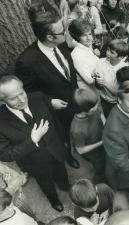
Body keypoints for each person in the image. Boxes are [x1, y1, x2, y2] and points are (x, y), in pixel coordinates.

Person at [15, 10, 80, 169]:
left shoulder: (62, 42)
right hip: (56, 111)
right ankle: (67, 155)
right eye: (62, 31)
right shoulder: (27, 62)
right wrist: (49, 102)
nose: (66, 33)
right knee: (62, 135)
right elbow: (28, 93)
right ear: (50, 37)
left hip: (74, 100)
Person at [0, 76, 70, 212]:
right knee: (45, 182)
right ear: (2, 100)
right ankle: (53, 199)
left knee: (61, 171)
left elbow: (55, 121)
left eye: (22, 93)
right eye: (13, 98)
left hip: (56, 149)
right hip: (35, 163)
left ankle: (64, 185)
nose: (21, 100)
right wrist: (32, 141)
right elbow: (5, 155)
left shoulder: (38, 97)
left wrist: (63, 141)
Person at [70, 88, 106, 183]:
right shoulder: (77, 129)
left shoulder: (93, 108)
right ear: (82, 110)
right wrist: (102, 142)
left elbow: (101, 114)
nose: (97, 106)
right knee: (100, 168)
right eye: (93, 107)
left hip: (103, 142)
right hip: (95, 154)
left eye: (96, 104)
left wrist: (106, 127)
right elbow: (80, 150)